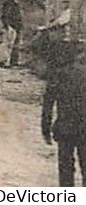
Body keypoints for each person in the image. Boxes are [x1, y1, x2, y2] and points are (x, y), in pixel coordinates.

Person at [40, 39, 86, 185]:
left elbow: (48, 105)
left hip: (65, 129)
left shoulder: (57, 76)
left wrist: (45, 129)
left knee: (65, 168)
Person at [2, 0, 25, 68]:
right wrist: (8, 26)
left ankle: (14, 61)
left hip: (16, 27)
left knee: (15, 45)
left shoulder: (14, 3)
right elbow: (6, 16)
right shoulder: (10, 4)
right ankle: (6, 62)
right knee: (9, 45)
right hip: (12, 27)